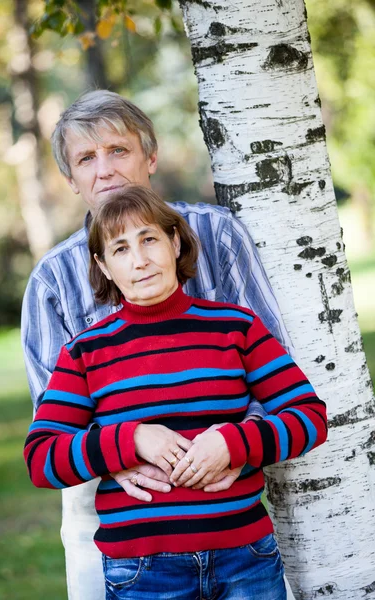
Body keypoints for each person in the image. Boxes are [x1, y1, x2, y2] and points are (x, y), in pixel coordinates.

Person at [21, 89, 294, 599]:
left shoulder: (218, 234)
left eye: (118, 150)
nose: (104, 170)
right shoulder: (51, 281)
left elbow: (276, 368)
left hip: (231, 496)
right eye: (86, 158)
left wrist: (238, 447)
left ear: (150, 156)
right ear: (71, 180)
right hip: (119, 514)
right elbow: (52, 425)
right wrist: (128, 448)